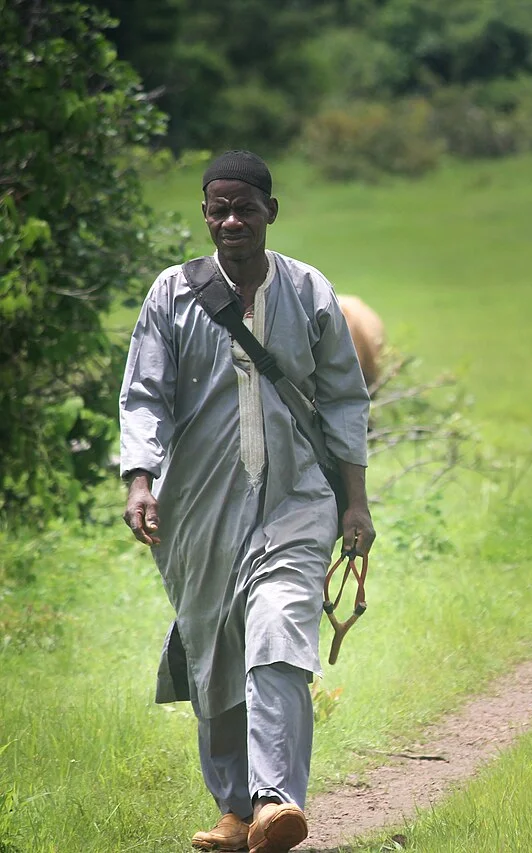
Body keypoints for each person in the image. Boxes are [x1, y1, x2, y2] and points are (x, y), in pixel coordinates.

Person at [118, 150, 375, 853]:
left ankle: (275, 801)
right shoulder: (172, 293)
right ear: (205, 215)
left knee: (278, 633)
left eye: (245, 208)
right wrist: (139, 480)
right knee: (214, 650)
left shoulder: (308, 290)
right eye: (218, 209)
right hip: (197, 509)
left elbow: (346, 401)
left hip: (297, 499)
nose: (231, 220)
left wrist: (355, 503)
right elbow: (144, 394)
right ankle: (235, 811)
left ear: (271, 211)